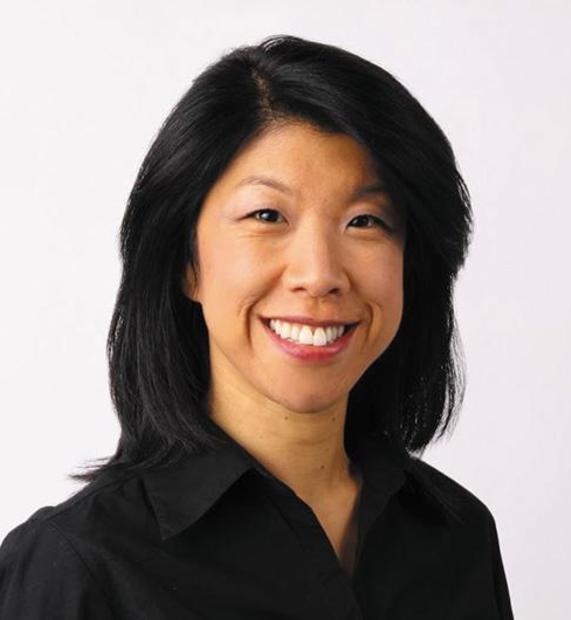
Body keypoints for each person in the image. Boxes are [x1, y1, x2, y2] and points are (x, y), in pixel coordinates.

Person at [0, 34, 514, 619]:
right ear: (186, 262)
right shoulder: (79, 565)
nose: (319, 274)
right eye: (267, 215)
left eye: (366, 220)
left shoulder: (456, 537)